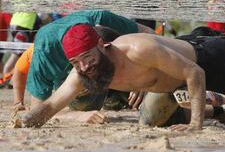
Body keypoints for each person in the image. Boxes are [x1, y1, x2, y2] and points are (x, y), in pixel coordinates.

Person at [20, 25, 225, 131]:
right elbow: (50, 105)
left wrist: (196, 124)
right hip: (176, 83)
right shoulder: (81, 72)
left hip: (213, 61)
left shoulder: (138, 49)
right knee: (151, 119)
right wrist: (24, 120)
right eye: (78, 64)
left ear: (102, 45)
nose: (86, 70)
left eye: (89, 61)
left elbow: (195, 72)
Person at [25, 10, 154, 110]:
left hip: (116, 70)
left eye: (87, 57)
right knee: (84, 105)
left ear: (101, 44)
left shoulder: (101, 19)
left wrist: (145, 76)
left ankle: (115, 97)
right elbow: (37, 109)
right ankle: (110, 99)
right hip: (84, 94)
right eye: (75, 62)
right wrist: (76, 117)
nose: (84, 67)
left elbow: (149, 34)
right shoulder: (45, 50)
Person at [11, 26, 123, 112]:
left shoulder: (77, 47)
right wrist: (18, 102)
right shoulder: (41, 52)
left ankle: (114, 97)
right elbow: (19, 70)